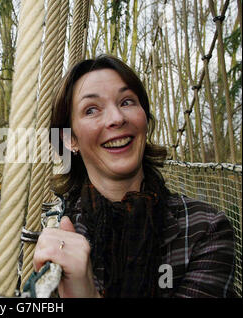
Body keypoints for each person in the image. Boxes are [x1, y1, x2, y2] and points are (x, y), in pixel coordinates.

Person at [33, 55, 236, 298]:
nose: (117, 118)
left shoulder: (205, 228)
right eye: (91, 109)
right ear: (70, 139)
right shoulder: (52, 236)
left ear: (144, 120)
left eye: (127, 102)